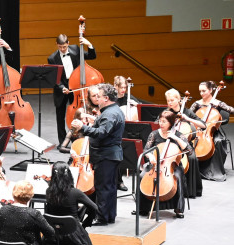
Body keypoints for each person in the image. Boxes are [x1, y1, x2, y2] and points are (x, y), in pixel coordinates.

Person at [44, 162, 114, 245]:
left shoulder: (49, 191)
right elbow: (94, 207)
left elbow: (48, 213)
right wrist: (87, 221)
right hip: (73, 235)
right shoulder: (75, 192)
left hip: (54, 236)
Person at [69, 83, 125, 225]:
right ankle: (109, 216)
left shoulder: (110, 113)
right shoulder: (113, 110)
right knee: (110, 188)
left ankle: (102, 218)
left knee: (103, 188)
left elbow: (101, 133)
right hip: (110, 155)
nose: (97, 99)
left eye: (99, 96)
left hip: (106, 155)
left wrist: (83, 127)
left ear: (106, 98)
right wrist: (95, 121)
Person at [137, 110, 191, 218]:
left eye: (164, 122)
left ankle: (179, 208)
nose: (160, 124)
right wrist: (150, 156)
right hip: (155, 164)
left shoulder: (178, 135)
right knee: (142, 176)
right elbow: (146, 150)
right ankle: (143, 207)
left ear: (171, 123)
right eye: (160, 121)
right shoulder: (154, 134)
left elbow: (190, 151)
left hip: (172, 166)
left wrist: (175, 138)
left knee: (178, 176)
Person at [47, 33, 96, 142]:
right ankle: (61, 141)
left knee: (77, 113)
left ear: (68, 44)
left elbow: (92, 56)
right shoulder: (52, 58)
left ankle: (76, 137)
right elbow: (55, 77)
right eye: (60, 47)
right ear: (56, 45)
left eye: (64, 46)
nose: (63, 49)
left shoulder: (76, 49)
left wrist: (89, 44)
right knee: (60, 116)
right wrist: (61, 87)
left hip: (76, 87)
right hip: (62, 88)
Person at [194, 80, 232, 182]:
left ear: (211, 90)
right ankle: (194, 169)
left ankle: (214, 171)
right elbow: (189, 115)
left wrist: (218, 104)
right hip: (199, 131)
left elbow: (231, 110)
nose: (201, 93)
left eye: (204, 91)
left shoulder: (217, 103)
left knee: (218, 142)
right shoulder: (197, 103)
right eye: (200, 91)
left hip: (213, 130)